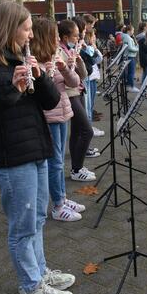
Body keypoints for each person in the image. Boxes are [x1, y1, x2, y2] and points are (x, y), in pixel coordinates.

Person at [0, 0, 74, 294]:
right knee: (22, 227)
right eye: (25, 29)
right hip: (11, 158)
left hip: (36, 150)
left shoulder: (20, 58)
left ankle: (39, 272)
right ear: (9, 29)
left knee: (36, 219)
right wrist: (10, 88)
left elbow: (50, 103)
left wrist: (42, 76)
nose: (29, 35)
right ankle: (31, 289)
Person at [31, 17, 85, 221]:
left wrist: (65, 68)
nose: (56, 40)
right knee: (54, 163)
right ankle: (57, 206)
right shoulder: (36, 62)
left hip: (63, 111)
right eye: (53, 36)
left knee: (60, 161)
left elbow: (75, 82)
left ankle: (62, 196)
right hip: (50, 116)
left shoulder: (56, 56)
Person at [58, 20, 96, 181]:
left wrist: (79, 61)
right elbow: (62, 79)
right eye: (75, 36)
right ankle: (77, 168)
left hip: (78, 92)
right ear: (65, 37)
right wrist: (67, 67)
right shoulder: (59, 51)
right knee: (88, 131)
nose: (77, 38)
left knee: (77, 131)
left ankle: (76, 167)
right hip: (69, 94)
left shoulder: (70, 49)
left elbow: (84, 75)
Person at [122, 25, 140, 93]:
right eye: (133, 30)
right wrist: (137, 49)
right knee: (131, 72)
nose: (133, 32)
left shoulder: (128, 37)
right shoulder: (128, 37)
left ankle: (130, 85)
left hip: (130, 56)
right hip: (130, 56)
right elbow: (130, 48)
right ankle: (131, 86)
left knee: (130, 72)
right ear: (129, 31)